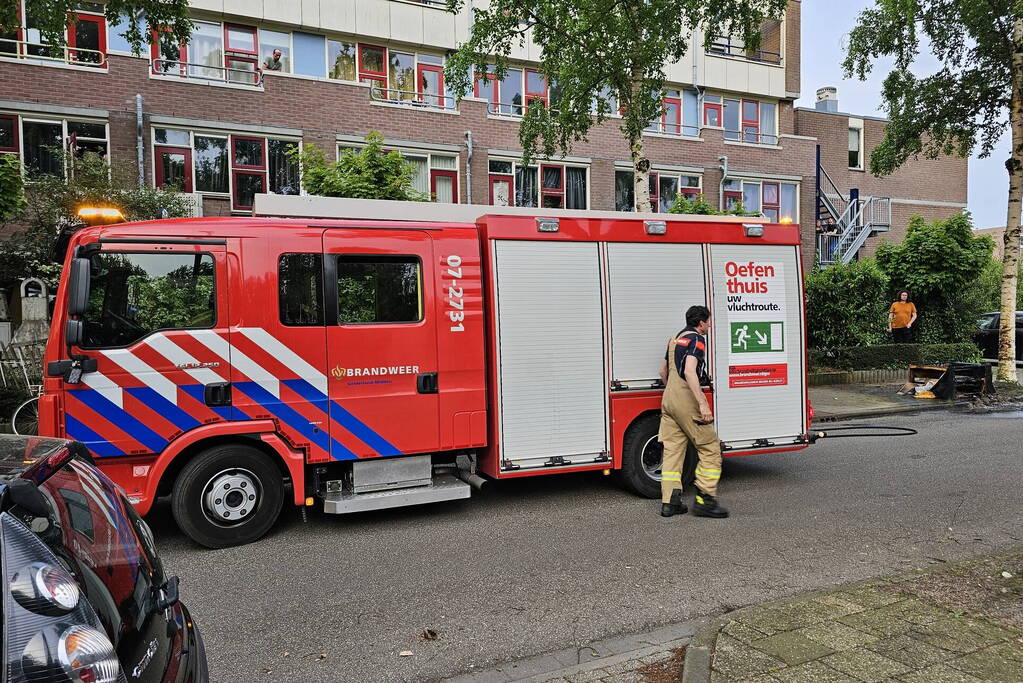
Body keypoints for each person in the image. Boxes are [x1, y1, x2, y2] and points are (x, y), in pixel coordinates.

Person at [656, 305, 729, 519]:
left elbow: (663, 371)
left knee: (672, 451)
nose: (710, 324)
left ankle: (670, 503)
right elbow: (689, 371)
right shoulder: (697, 339)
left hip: (668, 399)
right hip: (687, 400)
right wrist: (702, 403)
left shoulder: (674, 339)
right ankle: (704, 500)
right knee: (710, 448)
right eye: (708, 321)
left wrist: (673, 392)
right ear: (700, 323)